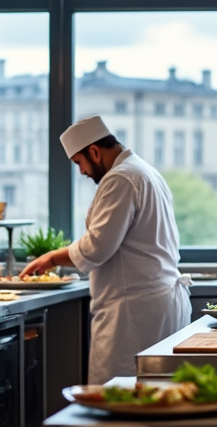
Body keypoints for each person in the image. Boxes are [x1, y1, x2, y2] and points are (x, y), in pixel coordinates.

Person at [21, 115, 190, 384]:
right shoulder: (144, 171)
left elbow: (97, 246)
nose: (82, 172)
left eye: (79, 163)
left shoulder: (121, 179)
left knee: (117, 397)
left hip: (132, 313)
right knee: (156, 393)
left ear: (94, 152)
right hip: (153, 303)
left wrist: (52, 257)